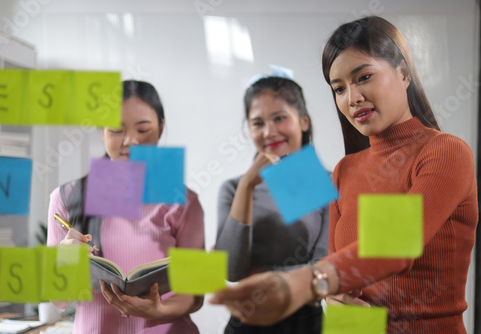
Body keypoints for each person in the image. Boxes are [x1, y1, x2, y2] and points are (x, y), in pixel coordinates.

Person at [210, 16, 478, 334]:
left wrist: (300, 284)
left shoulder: (445, 152)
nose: (351, 99)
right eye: (339, 89)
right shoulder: (345, 170)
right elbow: (342, 286)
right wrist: (330, 299)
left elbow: (391, 246)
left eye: (363, 77)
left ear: (404, 73)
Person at [47, 80, 205, 334]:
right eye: (117, 130)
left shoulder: (186, 202)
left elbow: (196, 295)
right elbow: (57, 300)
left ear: (161, 128)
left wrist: (158, 311)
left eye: (143, 129)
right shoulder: (66, 198)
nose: (130, 141)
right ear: (102, 131)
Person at [215, 75, 329, 334]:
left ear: (303, 121)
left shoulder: (325, 182)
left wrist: (259, 273)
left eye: (279, 118)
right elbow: (230, 270)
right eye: (258, 123)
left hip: (305, 325)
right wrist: (247, 186)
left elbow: (324, 267)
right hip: (245, 325)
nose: (269, 132)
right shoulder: (234, 188)